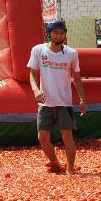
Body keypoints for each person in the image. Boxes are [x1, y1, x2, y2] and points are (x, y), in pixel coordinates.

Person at [28, 19, 86, 174]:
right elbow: (32, 75)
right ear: (49, 33)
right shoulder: (38, 50)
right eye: (56, 32)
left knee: (67, 136)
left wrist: (82, 99)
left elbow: (77, 77)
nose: (59, 36)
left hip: (64, 102)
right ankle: (55, 162)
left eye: (62, 33)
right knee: (42, 137)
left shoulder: (71, 53)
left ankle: (70, 168)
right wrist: (35, 90)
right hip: (45, 102)